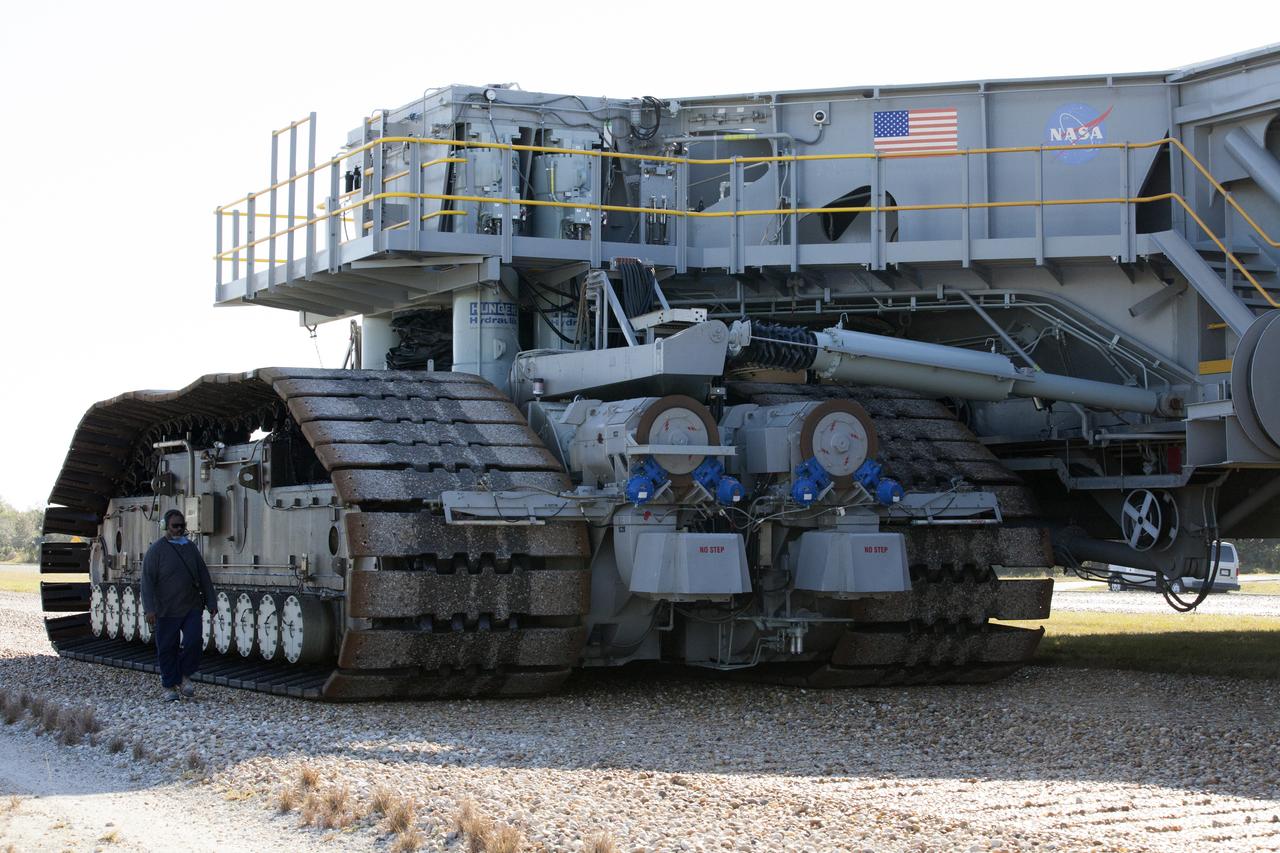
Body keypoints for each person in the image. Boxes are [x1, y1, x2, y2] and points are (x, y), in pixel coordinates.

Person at [141, 509, 217, 701]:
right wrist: (149, 609)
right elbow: (147, 581)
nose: (179, 529)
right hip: (165, 609)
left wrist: (211, 601)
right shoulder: (156, 550)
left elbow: (203, 576)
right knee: (167, 647)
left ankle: (184, 676)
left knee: (194, 642)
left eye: (182, 526)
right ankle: (169, 685)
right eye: (175, 526)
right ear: (166, 527)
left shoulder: (190, 548)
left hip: (191, 606)